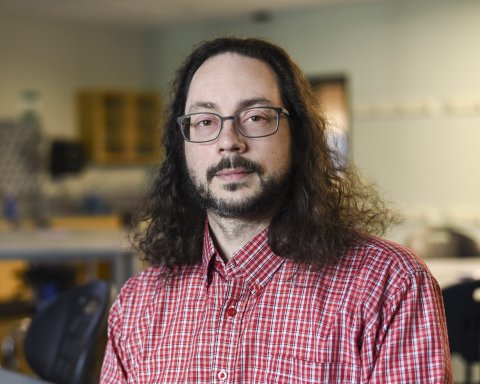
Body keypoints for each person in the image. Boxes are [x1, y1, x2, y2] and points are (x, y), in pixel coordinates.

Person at [100, 37, 451, 383]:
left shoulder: (389, 285)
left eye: (256, 116)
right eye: (205, 121)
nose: (228, 141)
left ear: (297, 136)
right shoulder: (138, 304)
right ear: (183, 146)